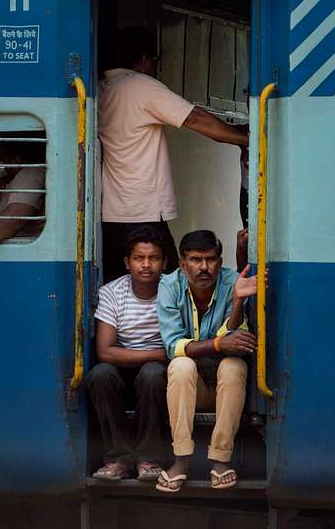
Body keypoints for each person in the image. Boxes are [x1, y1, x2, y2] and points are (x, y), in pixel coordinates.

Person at [98, 27, 248, 284]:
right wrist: (245, 139)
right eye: (156, 61)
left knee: (118, 287)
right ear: (144, 60)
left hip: (111, 212)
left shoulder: (102, 88)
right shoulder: (140, 85)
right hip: (143, 211)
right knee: (169, 287)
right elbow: (194, 118)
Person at [154, 230, 259, 493]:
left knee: (234, 365)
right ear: (182, 264)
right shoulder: (169, 285)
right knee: (179, 364)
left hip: (228, 389)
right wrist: (216, 344)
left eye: (211, 259)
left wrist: (237, 303)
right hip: (192, 389)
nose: (204, 267)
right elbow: (173, 346)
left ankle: (221, 460)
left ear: (220, 261)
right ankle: (182, 459)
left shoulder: (232, 282)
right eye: (196, 259)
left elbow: (236, 339)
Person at [85, 226, 170, 482]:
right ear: (127, 262)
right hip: (128, 365)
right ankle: (117, 459)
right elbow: (105, 351)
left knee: (154, 375)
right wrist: (158, 353)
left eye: (153, 258)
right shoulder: (111, 292)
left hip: (157, 372)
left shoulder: (173, 288)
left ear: (164, 262)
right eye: (138, 258)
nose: (146, 265)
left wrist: (160, 358)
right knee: (99, 375)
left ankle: (148, 458)